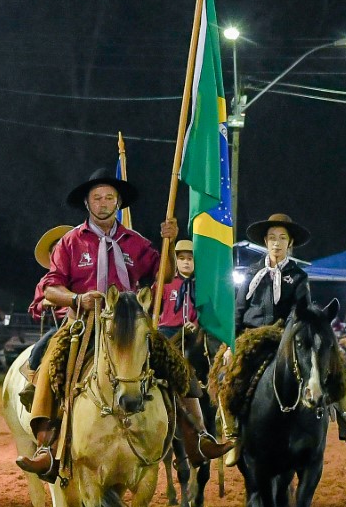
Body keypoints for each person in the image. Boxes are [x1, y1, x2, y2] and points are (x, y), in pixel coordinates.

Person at [14, 168, 225, 479]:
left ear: (119, 203)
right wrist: (76, 299)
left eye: (109, 198)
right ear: (87, 203)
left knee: (177, 364)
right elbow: (50, 287)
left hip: (130, 326)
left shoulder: (136, 242)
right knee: (48, 362)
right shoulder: (70, 242)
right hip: (84, 324)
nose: (103, 203)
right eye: (97, 198)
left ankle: (199, 437)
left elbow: (163, 275)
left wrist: (168, 242)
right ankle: (46, 447)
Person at [236, 213, 346, 444]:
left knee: (335, 361)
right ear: (265, 242)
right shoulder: (251, 274)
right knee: (229, 371)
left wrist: (292, 329)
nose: (277, 243)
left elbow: (303, 310)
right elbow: (239, 309)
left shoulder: (298, 276)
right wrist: (233, 342)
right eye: (272, 238)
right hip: (252, 336)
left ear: (290, 243)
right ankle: (230, 429)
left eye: (282, 238)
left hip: (286, 336)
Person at [157, 239, 199, 337]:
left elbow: (204, 311)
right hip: (167, 329)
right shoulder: (167, 282)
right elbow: (154, 305)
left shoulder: (200, 286)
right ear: (176, 261)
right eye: (181, 258)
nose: (186, 262)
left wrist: (196, 324)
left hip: (190, 329)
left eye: (190, 259)